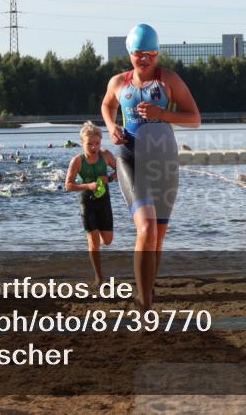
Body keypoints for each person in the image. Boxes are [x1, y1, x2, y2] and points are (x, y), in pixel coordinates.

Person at [101, 23, 201, 310]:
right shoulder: (118, 82)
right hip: (131, 158)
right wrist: (111, 127)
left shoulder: (168, 80)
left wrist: (162, 114)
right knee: (145, 228)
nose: (145, 59)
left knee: (157, 238)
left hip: (164, 163)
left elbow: (194, 118)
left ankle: (146, 292)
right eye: (139, 53)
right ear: (130, 53)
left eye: (151, 54)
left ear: (157, 54)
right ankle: (145, 305)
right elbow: (107, 106)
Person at [65, 121, 118, 286]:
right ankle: (99, 276)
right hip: (87, 202)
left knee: (107, 240)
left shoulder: (106, 156)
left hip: (104, 201)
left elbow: (122, 171)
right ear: (82, 143)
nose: (94, 147)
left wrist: (109, 178)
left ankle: (95, 241)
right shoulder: (77, 161)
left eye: (97, 143)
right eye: (90, 144)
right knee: (94, 242)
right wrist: (88, 186)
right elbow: (68, 185)